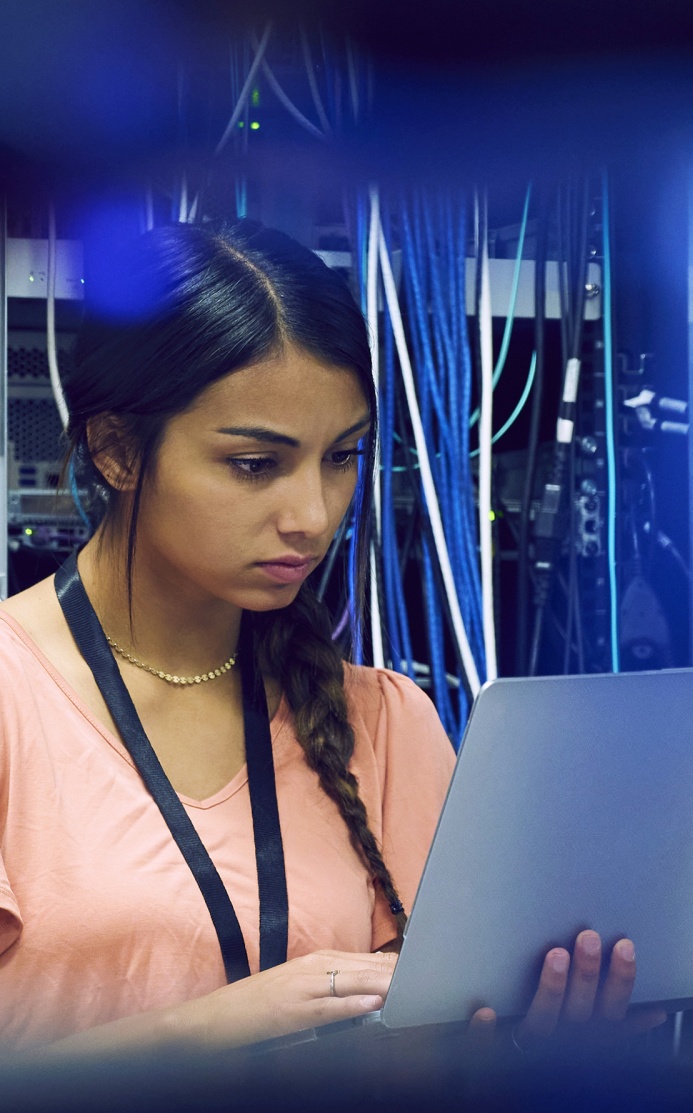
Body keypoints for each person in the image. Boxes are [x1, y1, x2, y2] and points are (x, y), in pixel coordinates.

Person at [0, 220, 654, 1055]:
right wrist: (218, 1030)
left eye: (341, 457)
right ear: (117, 450)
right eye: (253, 464)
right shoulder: (17, 702)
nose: (312, 516)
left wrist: (545, 1041)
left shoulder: (384, 724)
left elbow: (433, 1066)